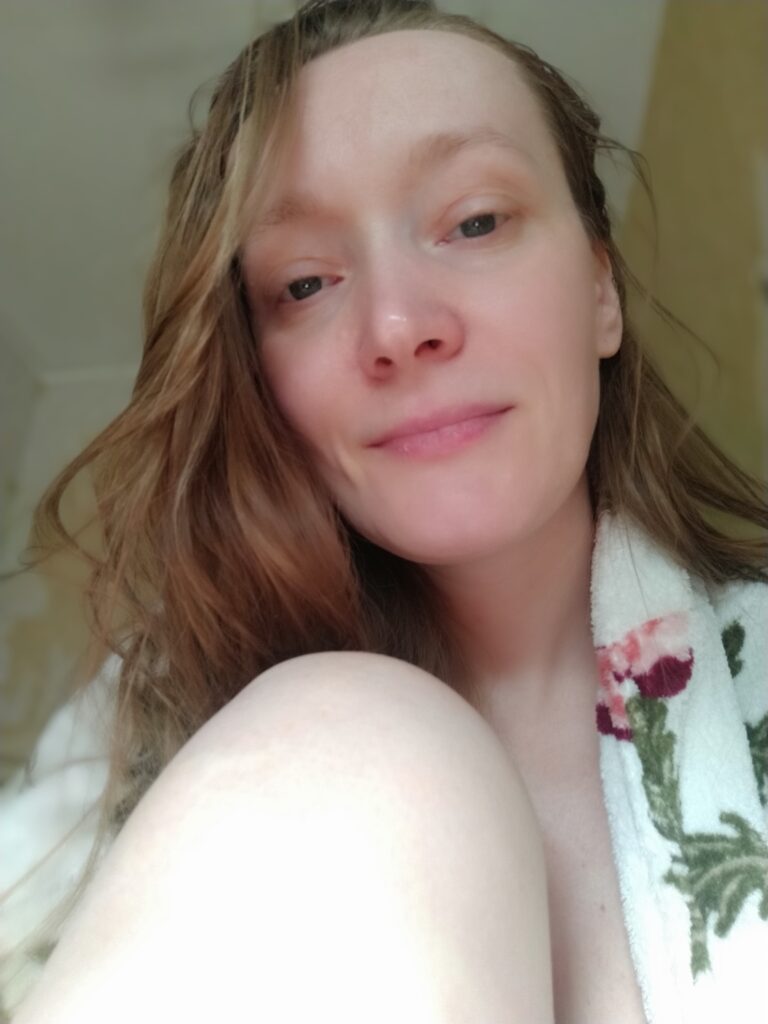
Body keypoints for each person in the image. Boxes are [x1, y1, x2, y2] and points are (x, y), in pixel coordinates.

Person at [3, 1, 767, 1021]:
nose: (397, 326)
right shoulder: (129, 730)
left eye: (476, 221)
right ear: (260, 378)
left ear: (601, 292)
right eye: (304, 283)